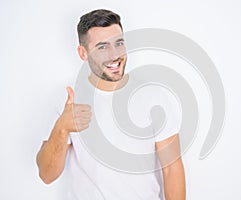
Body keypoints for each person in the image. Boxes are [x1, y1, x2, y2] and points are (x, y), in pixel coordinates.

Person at [36, 9, 186, 200]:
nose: (114, 55)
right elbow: (46, 175)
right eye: (102, 47)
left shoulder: (153, 96)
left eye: (119, 43)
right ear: (83, 53)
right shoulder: (67, 100)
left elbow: (172, 169)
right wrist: (61, 128)